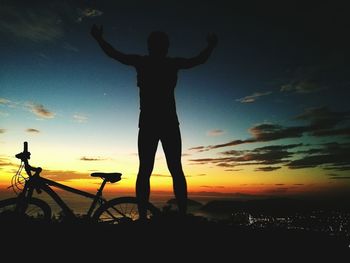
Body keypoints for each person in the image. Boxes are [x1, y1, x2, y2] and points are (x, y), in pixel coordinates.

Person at [90, 25, 218, 220]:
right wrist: (211, 46)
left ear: (152, 46)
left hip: (154, 123)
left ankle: (145, 216)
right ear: (163, 47)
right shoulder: (166, 63)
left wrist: (99, 39)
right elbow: (197, 61)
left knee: (151, 170)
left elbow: (115, 54)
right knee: (170, 169)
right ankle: (175, 215)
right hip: (164, 123)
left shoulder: (145, 62)